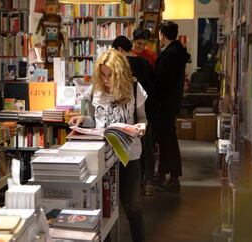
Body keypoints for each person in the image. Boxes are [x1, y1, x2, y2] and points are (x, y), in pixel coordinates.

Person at [69, 49, 147, 242]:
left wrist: (142, 126)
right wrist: (82, 118)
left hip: (129, 154)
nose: (105, 80)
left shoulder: (134, 88)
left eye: (110, 75)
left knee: (132, 205)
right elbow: (92, 120)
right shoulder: (95, 89)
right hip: (101, 155)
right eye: (102, 74)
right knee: (103, 207)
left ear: (119, 73)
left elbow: (143, 118)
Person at [111, 35, 156, 196]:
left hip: (126, 117)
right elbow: (152, 87)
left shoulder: (118, 67)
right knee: (145, 148)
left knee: (127, 150)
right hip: (144, 110)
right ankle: (147, 182)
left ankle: (125, 186)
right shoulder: (145, 63)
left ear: (119, 50)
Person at [153, 21, 190, 192]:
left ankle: (172, 177)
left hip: (165, 104)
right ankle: (165, 174)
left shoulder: (171, 54)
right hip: (170, 103)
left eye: (160, 34)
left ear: (163, 34)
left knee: (168, 140)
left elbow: (163, 81)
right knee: (166, 140)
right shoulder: (176, 52)